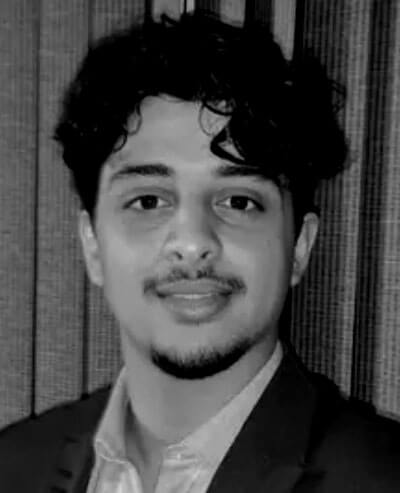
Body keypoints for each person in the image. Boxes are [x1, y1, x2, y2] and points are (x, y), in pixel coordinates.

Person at [1, 11, 399, 493]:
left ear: (300, 246)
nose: (192, 243)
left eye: (239, 202)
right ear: (92, 245)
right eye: (148, 201)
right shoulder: (12, 466)